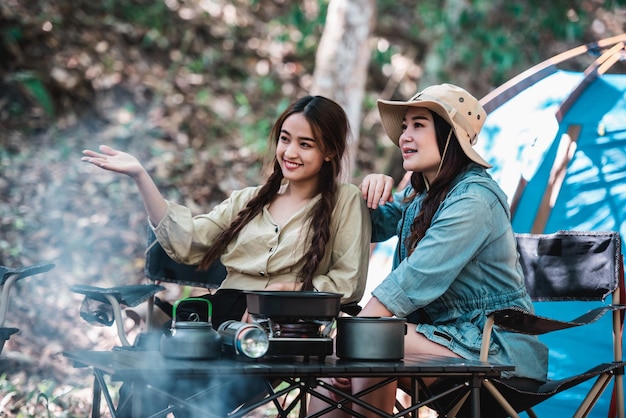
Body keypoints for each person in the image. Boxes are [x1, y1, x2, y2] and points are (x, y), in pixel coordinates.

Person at [82, 95, 371, 416]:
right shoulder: (250, 200)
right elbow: (189, 240)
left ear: (329, 151)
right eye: (285, 139)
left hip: (279, 331)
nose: (289, 152)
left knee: (197, 403)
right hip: (219, 317)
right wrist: (141, 176)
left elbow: (348, 282)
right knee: (147, 374)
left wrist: (286, 291)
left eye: (306, 144)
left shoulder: (345, 201)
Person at [309, 83, 548, 416]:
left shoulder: (473, 200)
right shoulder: (423, 196)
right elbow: (369, 226)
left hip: (497, 352)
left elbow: (414, 278)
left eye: (418, 125)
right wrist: (364, 193)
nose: (404, 136)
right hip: (442, 341)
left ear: (450, 136)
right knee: (343, 348)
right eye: (404, 126)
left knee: (371, 340)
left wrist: (354, 334)